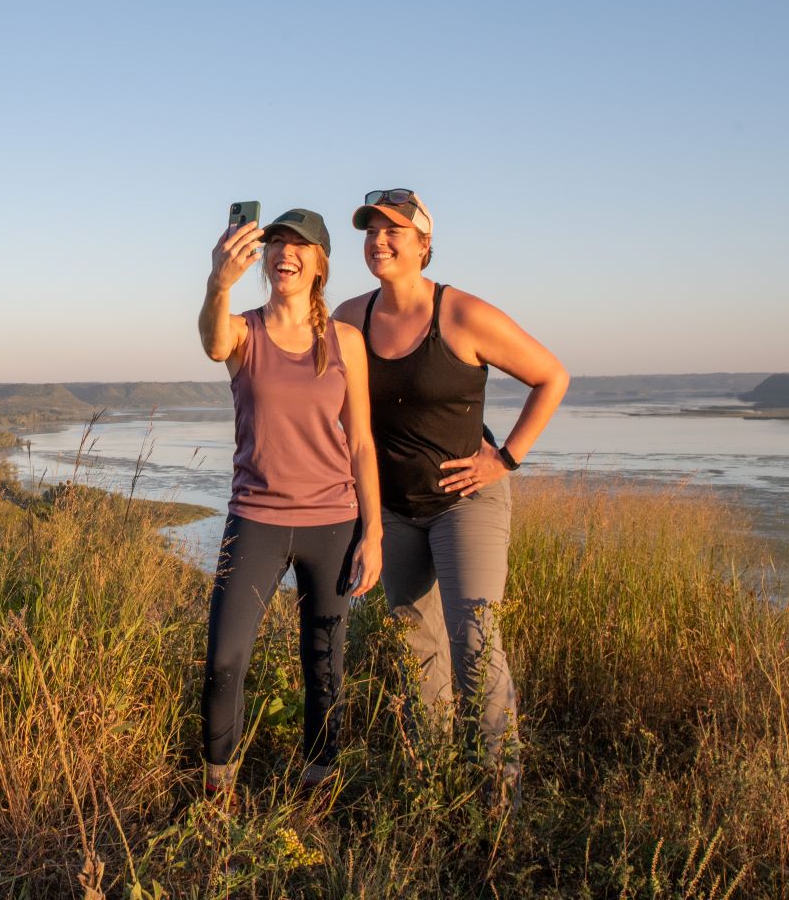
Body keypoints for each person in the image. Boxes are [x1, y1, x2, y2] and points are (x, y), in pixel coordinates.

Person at [332, 188, 568, 801]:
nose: (379, 241)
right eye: (370, 231)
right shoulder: (348, 319)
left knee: (475, 642)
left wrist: (506, 459)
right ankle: (433, 783)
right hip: (393, 512)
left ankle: (499, 795)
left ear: (423, 244)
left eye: (393, 231)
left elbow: (551, 376)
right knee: (417, 650)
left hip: (466, 502)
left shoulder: (461, 314)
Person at [197, 207, 382, 796]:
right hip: (255, 519)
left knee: (325, 662)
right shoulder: (243, 330)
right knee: (225, 659)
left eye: (300, 244)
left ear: (320, 263)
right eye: (276, 241)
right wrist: (217, 283)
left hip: (334, 522)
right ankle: (217, 789)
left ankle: (319, 782)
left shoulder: (345, 340)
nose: (286, 251)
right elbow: (210, 342)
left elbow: (360, 440)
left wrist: (373, 532)